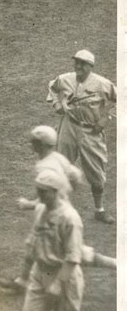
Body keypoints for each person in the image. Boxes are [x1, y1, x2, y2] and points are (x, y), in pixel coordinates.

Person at [0, 126, 116, 292]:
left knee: (71, 251)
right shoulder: (58, 158)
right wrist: (67, 193)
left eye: (35, 142)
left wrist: (28, 204)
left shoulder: (44, 167)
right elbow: (76, 176)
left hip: (52, 211)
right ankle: (23, 280)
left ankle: (117, 264)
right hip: (59, 207)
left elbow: (47, 195)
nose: (32, 145)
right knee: (35, 243)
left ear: (42, 145)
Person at [47, 49, 117, 224]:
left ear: (90, 66)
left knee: (97, 171)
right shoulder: (65, 79)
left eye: (82, 63)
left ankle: (99, 210)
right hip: (69, 126)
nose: (78, 66)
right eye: (76, 62)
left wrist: (106, 118)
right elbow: (52, 87)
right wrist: (56, 104)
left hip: (91, 131)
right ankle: (57, 208)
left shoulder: (102, 84)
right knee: (61, 166)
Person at [19, 169, 84, 311]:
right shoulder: (40, 209)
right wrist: (24, 274)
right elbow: (34, 241)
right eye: (38, 190)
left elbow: (73, 258)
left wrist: (57, 284)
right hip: (40, 272)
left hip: (64, 276)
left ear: (55, 191)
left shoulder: (70, 218)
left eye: (43, 191)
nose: (39, 195)